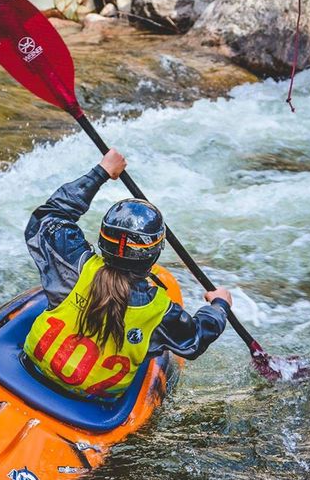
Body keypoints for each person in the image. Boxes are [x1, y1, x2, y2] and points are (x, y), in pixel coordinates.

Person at [23, 149, 232, 400]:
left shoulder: (73, 264)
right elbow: (195, 339)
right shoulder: (161, 312)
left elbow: (50, 215)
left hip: (31, 371)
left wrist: (101, 172)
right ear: (153, 253)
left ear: (103, 240)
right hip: (92, 404)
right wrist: (219, 306)